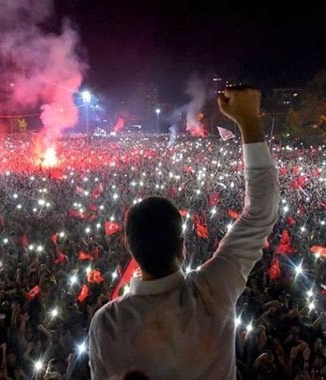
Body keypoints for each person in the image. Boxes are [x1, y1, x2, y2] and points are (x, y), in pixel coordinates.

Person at [88, 87, 280, 379]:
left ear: (130, 247)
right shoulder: (213, 291)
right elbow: (261, 212)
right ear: (182, 246)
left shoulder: (107, 324)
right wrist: (249, 121)